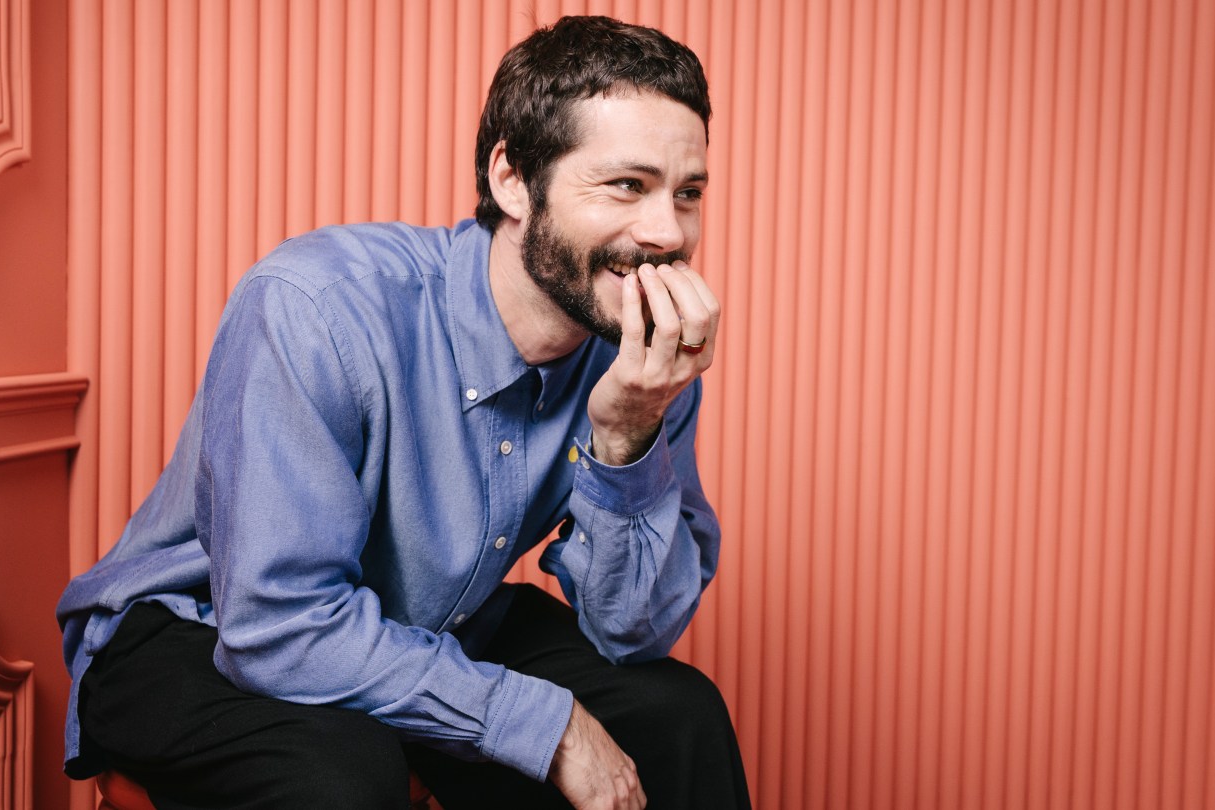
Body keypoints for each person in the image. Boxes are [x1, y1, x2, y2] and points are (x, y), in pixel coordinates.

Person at [58, 15, 750, 810]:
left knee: (678, 716)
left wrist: (629, 432)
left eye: (687, 194)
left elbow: (632, 635)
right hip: (202, 627)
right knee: (344, 779)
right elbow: (276, 624)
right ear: (512, 179)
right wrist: (541, 723)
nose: (668, 233)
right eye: (627, 185)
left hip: (428, 618)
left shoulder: (642, 363)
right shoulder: (316, 307)